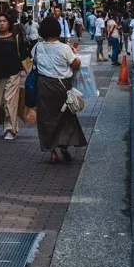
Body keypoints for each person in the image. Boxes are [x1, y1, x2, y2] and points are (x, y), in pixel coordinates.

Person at [33, 15, 87, 164]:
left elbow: (35, 63)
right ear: (58, 30)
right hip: (62, 87)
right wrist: (75, 55)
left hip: (43, 86)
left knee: (46, 119)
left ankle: (52, 151)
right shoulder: (64, 48)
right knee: (65, 118)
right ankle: (64, 145)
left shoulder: (38, 47)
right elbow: (75, 64)